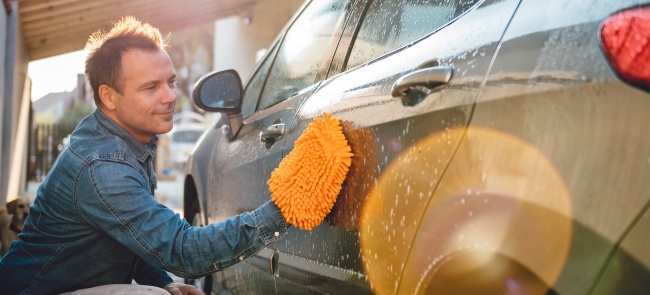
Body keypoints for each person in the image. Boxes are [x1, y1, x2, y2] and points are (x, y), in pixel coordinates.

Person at [0, 16, 288, 294]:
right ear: (109, 96)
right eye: (151, 87)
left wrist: (163, 280)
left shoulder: (125, 141)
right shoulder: (103, 165)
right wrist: (285, 209)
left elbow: (128, 235)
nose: (171, 96)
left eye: (171, 82)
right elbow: (182, 249)